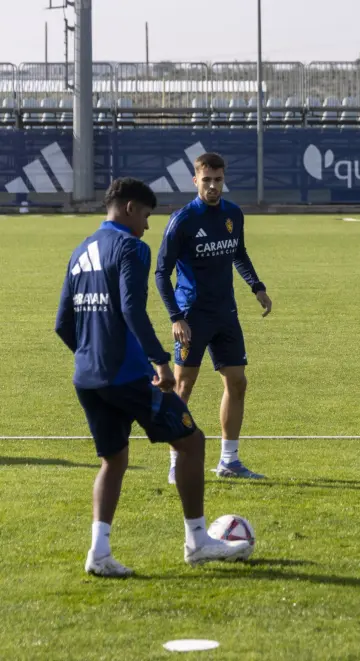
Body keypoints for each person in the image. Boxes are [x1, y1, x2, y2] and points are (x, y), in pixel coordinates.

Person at [55, 178, 253, 577]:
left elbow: (63, 323)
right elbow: (132, 308)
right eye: (146, 216)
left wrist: (91, 356)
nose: (147, 226)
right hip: (127, 375)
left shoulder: (80, 251)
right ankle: (197, 541)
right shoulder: (131, 247)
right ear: (129, 208)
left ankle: (99, 551)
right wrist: (160, 362)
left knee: (113, 460)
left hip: (88, 377)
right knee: (193, 442)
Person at [155, 152, 272, 484]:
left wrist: (256, 286)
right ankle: (177, 460)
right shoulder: (182, 220)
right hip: (193, 316)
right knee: (183, 386)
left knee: (237, 383)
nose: (213, 186)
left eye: (218, 180)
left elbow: (239, 252)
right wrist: (176, 317)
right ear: (196, 181)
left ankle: (229, 461)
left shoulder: (233, 214)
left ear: (224, 179)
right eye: (206, 180)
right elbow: (161, 273)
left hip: (226, 314)